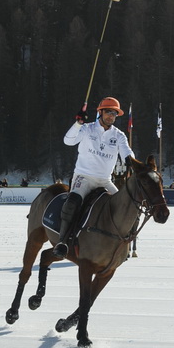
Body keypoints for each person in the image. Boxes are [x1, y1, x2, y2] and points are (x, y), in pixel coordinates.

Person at [57, 97, 134, 257]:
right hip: (84, 178)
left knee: (126, 205)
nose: (111, 116)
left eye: (114, 113)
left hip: (105, 180)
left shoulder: (119, 135)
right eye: (108, 112)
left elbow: (126, 150)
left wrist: (130, 160)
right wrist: (77, 124)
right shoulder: (86, 129)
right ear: (100, 112)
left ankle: (124, 243)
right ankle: (63, 242)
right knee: (73, 203)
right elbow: (68, 141)